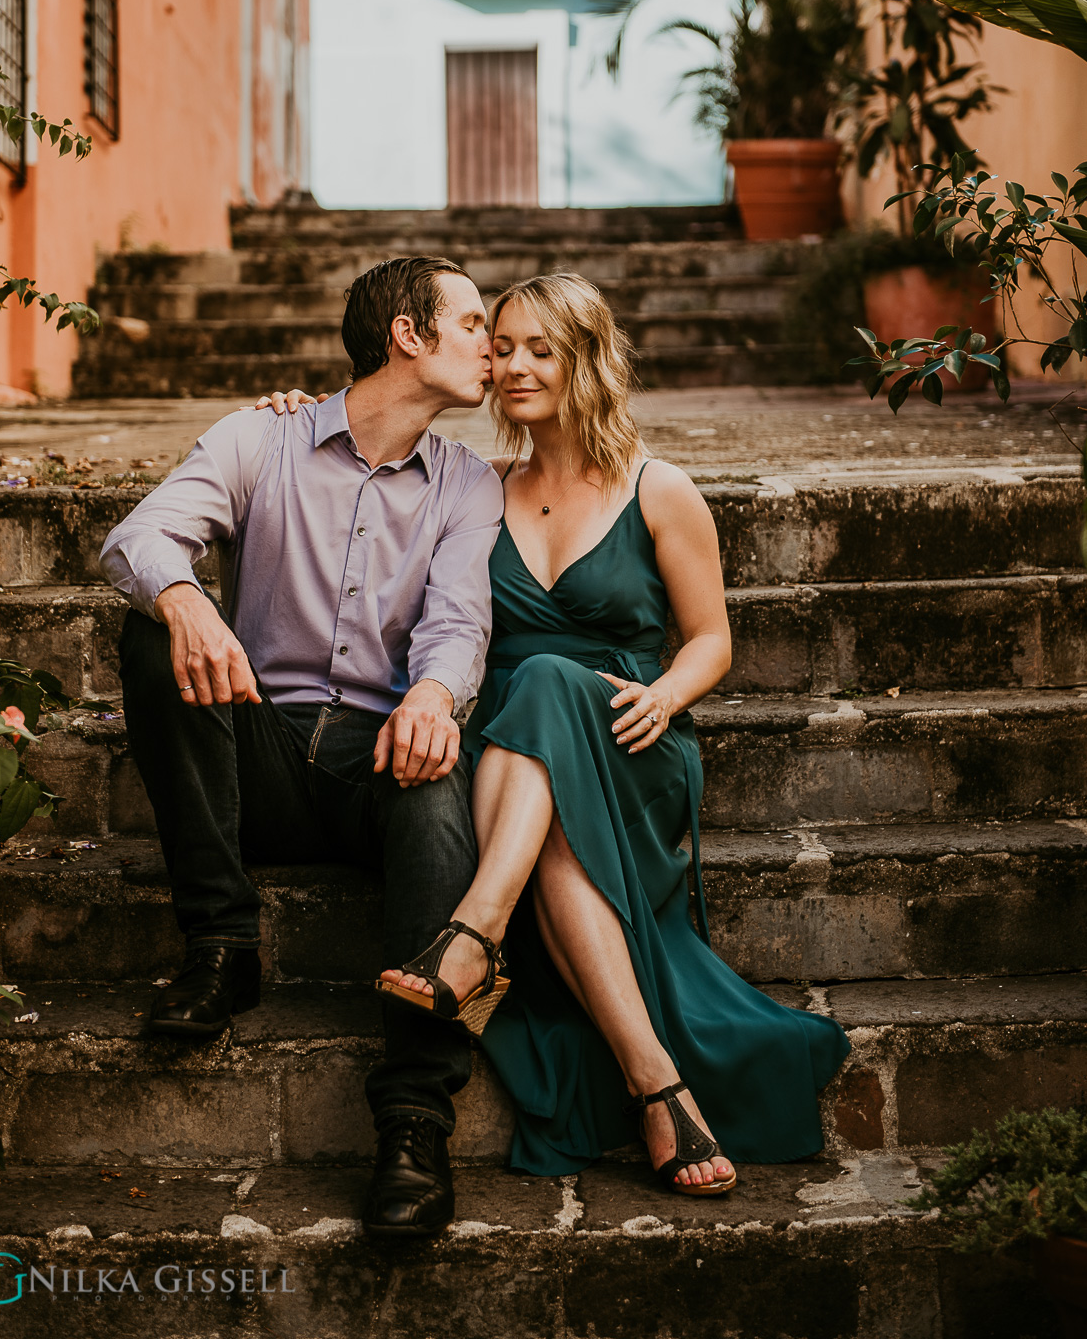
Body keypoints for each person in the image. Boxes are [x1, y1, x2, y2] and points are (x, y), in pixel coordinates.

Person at [270, 271, 849, 1195]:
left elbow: (712, 641)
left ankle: (476, 932)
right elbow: (369, 462)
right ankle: (656, 1084)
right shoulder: (475, 487)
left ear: (586, 358)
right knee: (527, 709)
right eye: (501, 347)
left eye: (541, 348)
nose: (513, 366)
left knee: (542, 679)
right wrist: (299, 419)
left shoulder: (659, 491)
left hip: (628, 740)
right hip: (511, 760)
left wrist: (664, 695)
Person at [99, 256, 505, 1240]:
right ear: (407, 335)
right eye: (472, 324)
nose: (490, 347)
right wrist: (187, 601)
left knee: (436, 767)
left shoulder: (468, 483)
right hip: (261, 754)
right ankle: (223, 947)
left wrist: (433, 696)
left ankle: (412, 1121)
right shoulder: (260, 438)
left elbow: (459, 618)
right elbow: (135, 539)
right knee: (153, 631)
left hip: (379, 763)